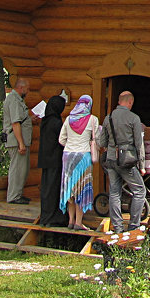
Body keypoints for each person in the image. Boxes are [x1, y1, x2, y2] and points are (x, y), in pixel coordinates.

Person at [98, 90, 146, 233]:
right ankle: (133, 226)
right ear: (130, 102)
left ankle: (118, 227)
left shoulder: (109, 117)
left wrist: (111, 147)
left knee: (114, 192)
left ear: (119, 102)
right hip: (127, 161)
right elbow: (139, 144)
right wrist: (142, 165)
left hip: (111, 159)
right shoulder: (134, 118)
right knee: (139, 191)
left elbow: (102, 141)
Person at [59, 94, 98, 230]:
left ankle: (70, 220)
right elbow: (96, 139)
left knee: (70, 189)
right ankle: (79, 222)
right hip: (83, 157)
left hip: (68, 156)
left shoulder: (69, 119)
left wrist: (71, 147)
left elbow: (61, 140)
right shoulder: (93, 120)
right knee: (81, 189)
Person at [37, 94, 69, 226]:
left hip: (45, 159)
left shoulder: (46, 120)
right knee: (53, 188)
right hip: (54, 159)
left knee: (46, 188)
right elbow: (61, 140)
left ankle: (46, 215)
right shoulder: (56, 122)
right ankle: (53, 217)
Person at [3, 76, 33, 204]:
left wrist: (31, 119)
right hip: (16, 141)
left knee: (22, 169)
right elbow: (15, 123)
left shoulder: (18, 100)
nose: (28, 91)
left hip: (20, 141)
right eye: (27, 89)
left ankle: (18, 194)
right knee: (17, 169)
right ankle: (13, 196)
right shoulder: (14, 100)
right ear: (21, 88)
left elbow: (21, 119)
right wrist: (21, 143)